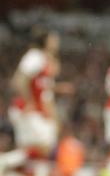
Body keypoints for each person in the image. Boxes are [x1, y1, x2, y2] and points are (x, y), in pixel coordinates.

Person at [0, 29, 61, 176]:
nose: (57, 42)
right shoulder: (35, 56)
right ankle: (5, 161)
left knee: (35, 151)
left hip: (35, 110)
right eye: (53, 39)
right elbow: (19, 80)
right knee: (45, 145)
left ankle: (11, 166)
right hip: (27, 110)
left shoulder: (44, 59)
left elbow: (42, 88)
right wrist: (29, 102)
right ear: (45, 41)